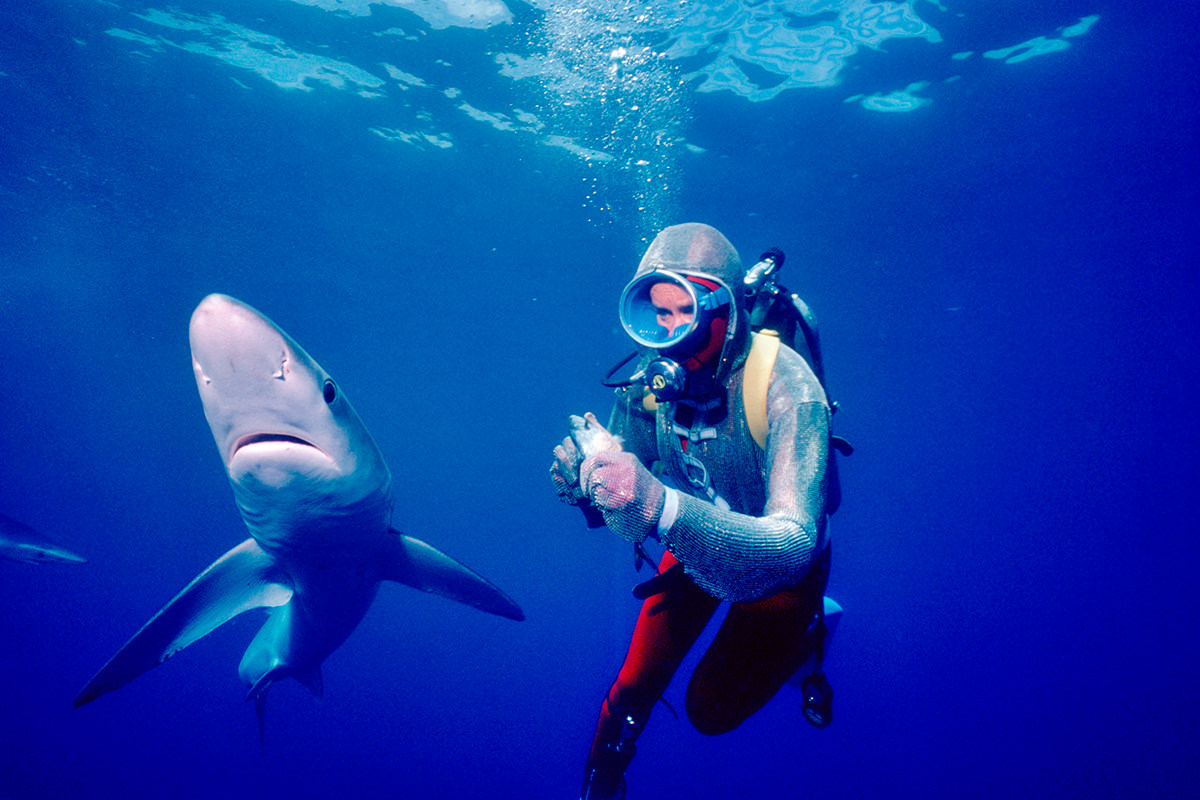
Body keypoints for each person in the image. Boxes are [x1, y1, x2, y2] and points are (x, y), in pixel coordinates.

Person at [551, 223, 838, 799]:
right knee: (630, 687)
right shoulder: (643, 390)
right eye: (654, 313)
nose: (667, 333)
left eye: (685, 312)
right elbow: (629, 505)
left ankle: (813, 633)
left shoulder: (789, 387)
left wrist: (657, 503)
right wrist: (586, 483)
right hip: (692, 547)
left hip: (781, 577)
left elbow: (793, 542)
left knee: (710, 710)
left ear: (726, 314)